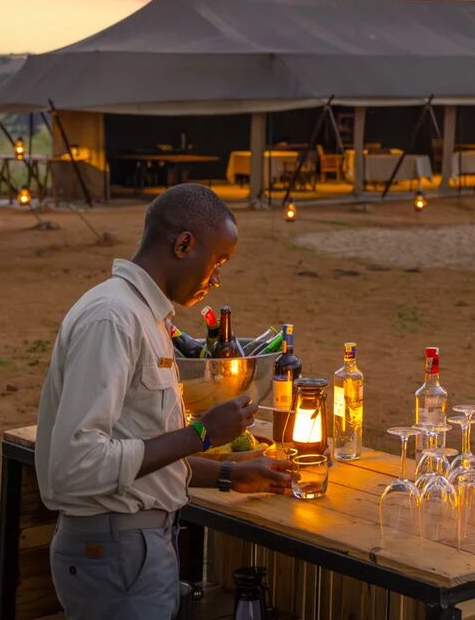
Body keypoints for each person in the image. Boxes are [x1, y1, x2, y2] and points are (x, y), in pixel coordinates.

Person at [36, 183, 291, 618]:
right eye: (218, 261)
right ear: (184, 244)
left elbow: (137, 457)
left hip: (134, 546)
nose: (217, 278)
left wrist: (231, 473)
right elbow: (77, 466)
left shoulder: (146, 317)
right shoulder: (113, 319)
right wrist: (202, 433)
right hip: (114, 552)